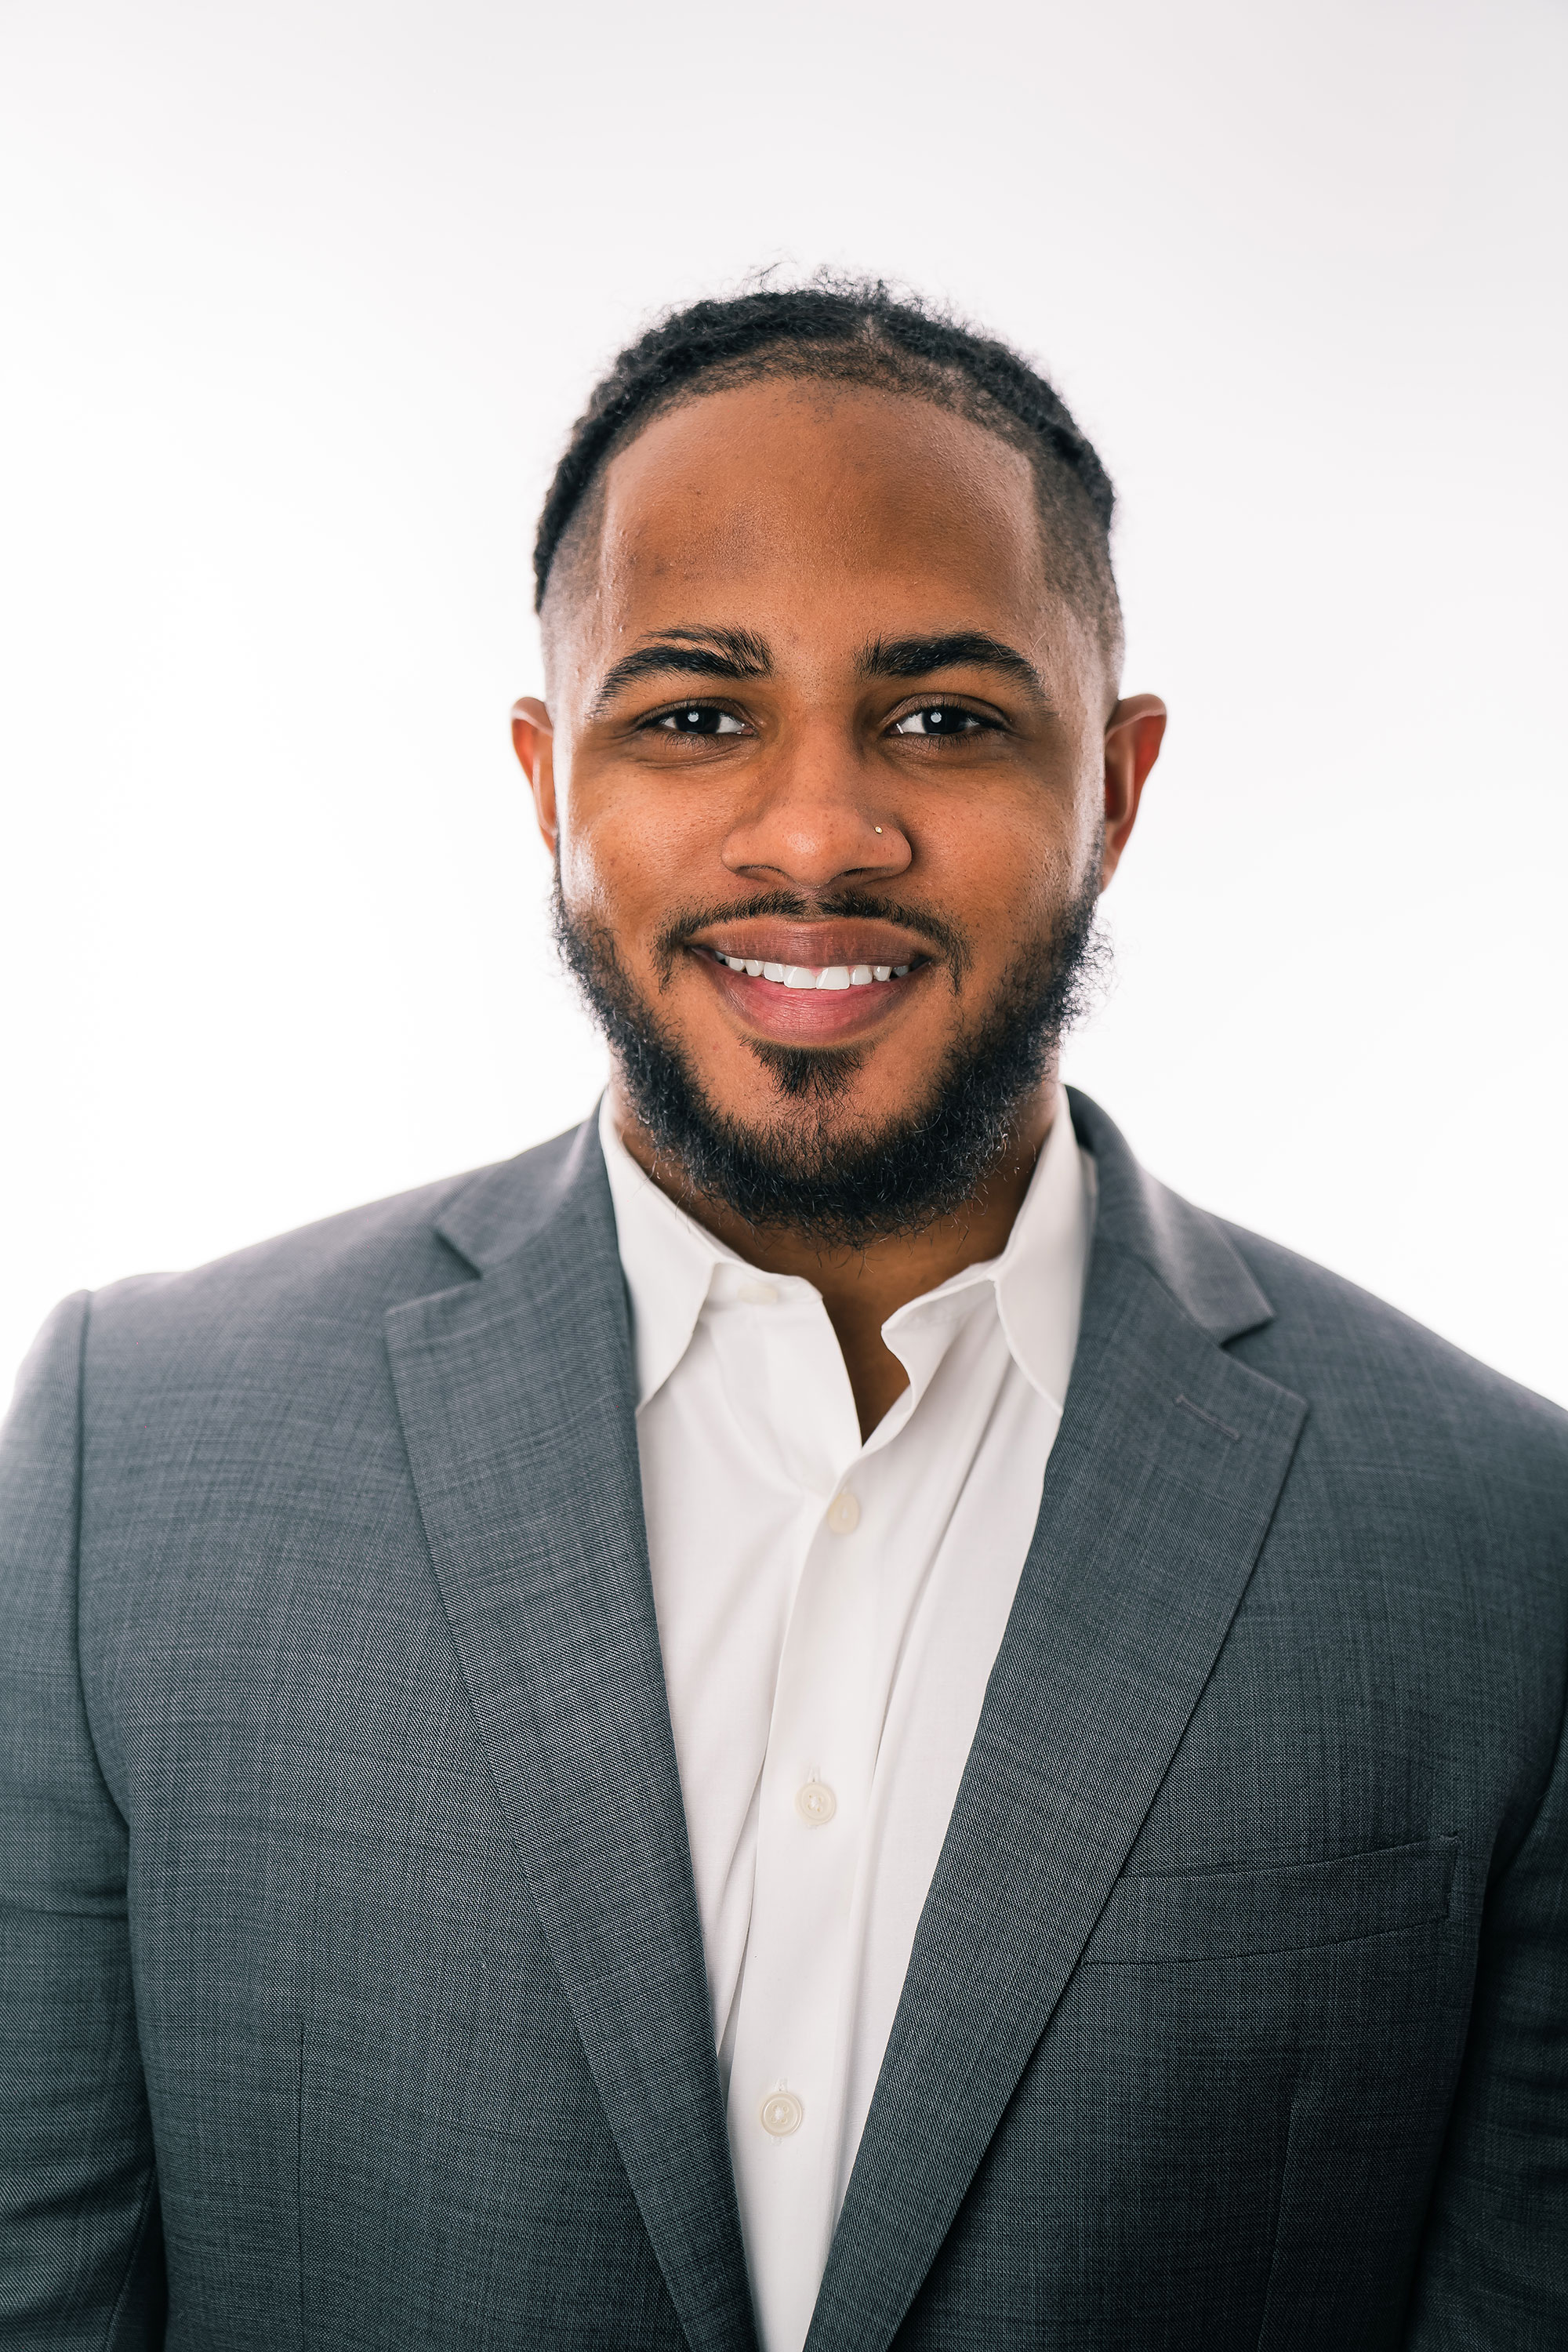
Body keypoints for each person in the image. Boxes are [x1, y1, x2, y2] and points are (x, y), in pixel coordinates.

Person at [2, 281, 1564, 2352]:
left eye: (941, 716)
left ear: (1116, 784)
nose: (819, 830)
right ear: (550, 784)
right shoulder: (139, 1467)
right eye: (698, 716)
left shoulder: (1496, 1547)